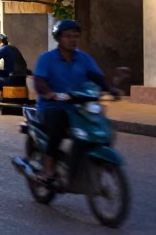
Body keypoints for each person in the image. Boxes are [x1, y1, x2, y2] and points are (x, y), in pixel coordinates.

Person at [32, 20, 117, 184]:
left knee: (102, 124)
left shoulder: (84, 58)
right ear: (58, 38)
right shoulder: (46, 58)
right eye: (68, 36)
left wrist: (110, 89)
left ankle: (92, 163)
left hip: (79, 108)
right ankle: (49, 166)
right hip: (52, 106)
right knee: (57, 123)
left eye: (76, 36)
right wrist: (49, 93)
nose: (72, 40)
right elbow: (39, 81)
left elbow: (97, 77)